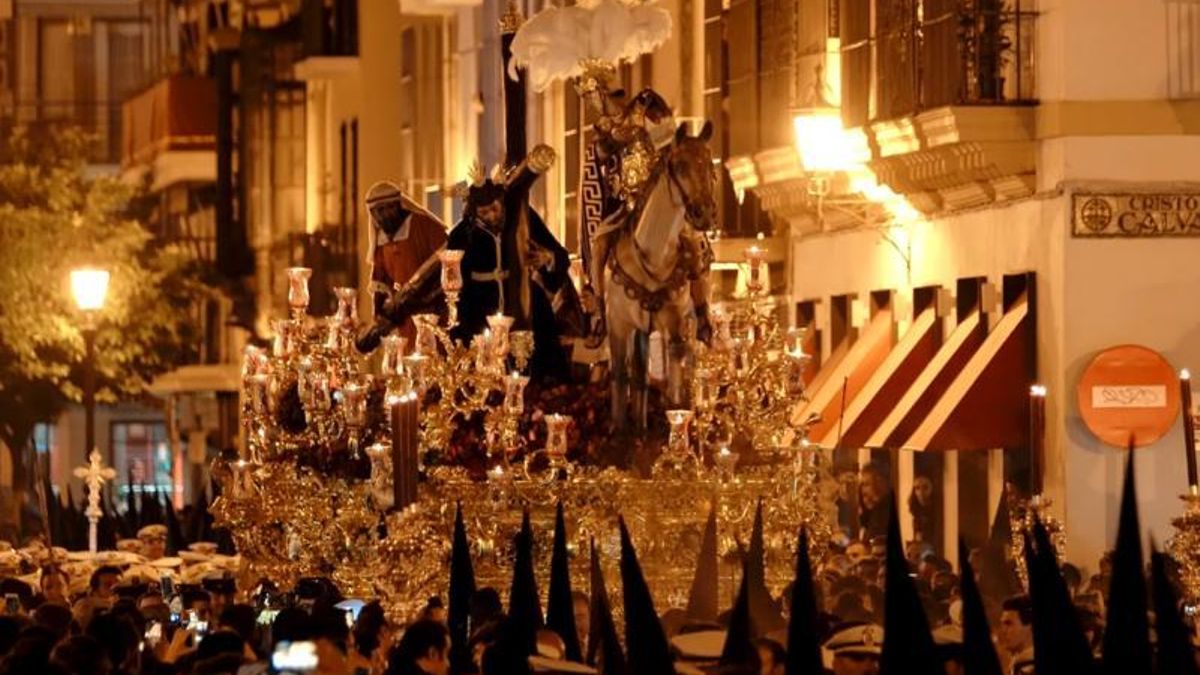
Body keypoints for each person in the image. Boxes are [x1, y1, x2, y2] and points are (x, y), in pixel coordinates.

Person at [356, 181, 449, 353]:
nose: (383, 216)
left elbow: (445, 263)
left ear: (398, 205)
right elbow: (381, 283)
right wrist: (379, 322)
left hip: (433, 312)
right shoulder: (382, 240)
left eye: (387, 208)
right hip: (404, 317)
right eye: (378, 211)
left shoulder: (424, 225)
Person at [997, 595, 1033, 675]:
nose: (1003, 631)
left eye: (1008, 624)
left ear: (1030, 626)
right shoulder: (1016, 665)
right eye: (1002, 624)